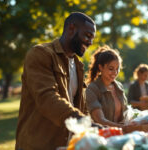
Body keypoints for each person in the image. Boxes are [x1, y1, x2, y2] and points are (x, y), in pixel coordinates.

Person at [15, 12, 96, 150]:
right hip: (37, 144)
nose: (90, 42)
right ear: (71, 29)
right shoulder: (41, 54)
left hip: (65, 145)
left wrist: (92, 126)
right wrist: (82, 121)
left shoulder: (78, 65)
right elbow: (47, 98)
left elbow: (81, 106)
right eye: (87, 36)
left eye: (92, 38)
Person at [85, 45, 127, 128]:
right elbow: (100, 120)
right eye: (111, 69)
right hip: (102, 136)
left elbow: (125, 113)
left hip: (121, 135)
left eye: (117, 68)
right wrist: (124, 128)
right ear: (101, 67)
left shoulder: (119, 86)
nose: (115, 72)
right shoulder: (92, 89)